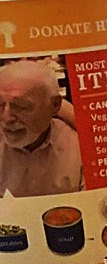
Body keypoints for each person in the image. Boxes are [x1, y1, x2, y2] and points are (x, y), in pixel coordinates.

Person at [0, 60, 82, 197]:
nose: (7, 119)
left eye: (21, 106)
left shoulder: (78, 149)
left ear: (55, 105)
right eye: (0, 105)